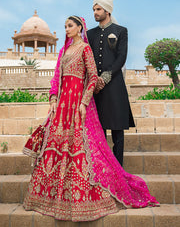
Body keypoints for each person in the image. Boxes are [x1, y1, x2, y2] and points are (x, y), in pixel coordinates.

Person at [23, 16, 159, 222]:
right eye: (65, 26)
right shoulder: (63, 51)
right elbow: (56, 78)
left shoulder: (85, 49)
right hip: (62, 105)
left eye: (70, 26)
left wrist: (84, 102)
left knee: (82, 147)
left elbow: (93, 76)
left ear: (80, 28)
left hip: (78, 103)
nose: (66, 30)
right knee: (58, 146)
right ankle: (55, 196)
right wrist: (52, 98)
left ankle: (83, 196)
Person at [87, 0, 135, 166]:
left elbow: (121, 58)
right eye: (94, 9)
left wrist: (106, 77)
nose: (95, 12)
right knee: (99, 130)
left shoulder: (121, 31)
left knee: (117, 130)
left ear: (107, 10)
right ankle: (103, 169)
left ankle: (119, 169)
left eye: (98, 9)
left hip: (114, 85)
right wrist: (92, 80)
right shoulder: (90, 34)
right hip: (95, 88)